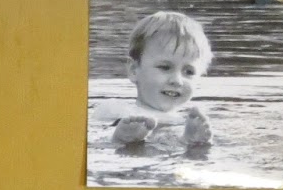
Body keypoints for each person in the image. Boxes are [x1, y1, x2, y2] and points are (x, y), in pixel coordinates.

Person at [91, 10, 215, 147]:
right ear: (134, 70)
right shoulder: (115, 110)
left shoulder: (185, 121)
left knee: (183, 144)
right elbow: (91, 142)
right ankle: (121, 139)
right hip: (121, 151)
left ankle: (189, 141)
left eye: (189, 72)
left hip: (168, 148)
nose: (177, 80)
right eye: (165, 67)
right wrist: (116, 138)